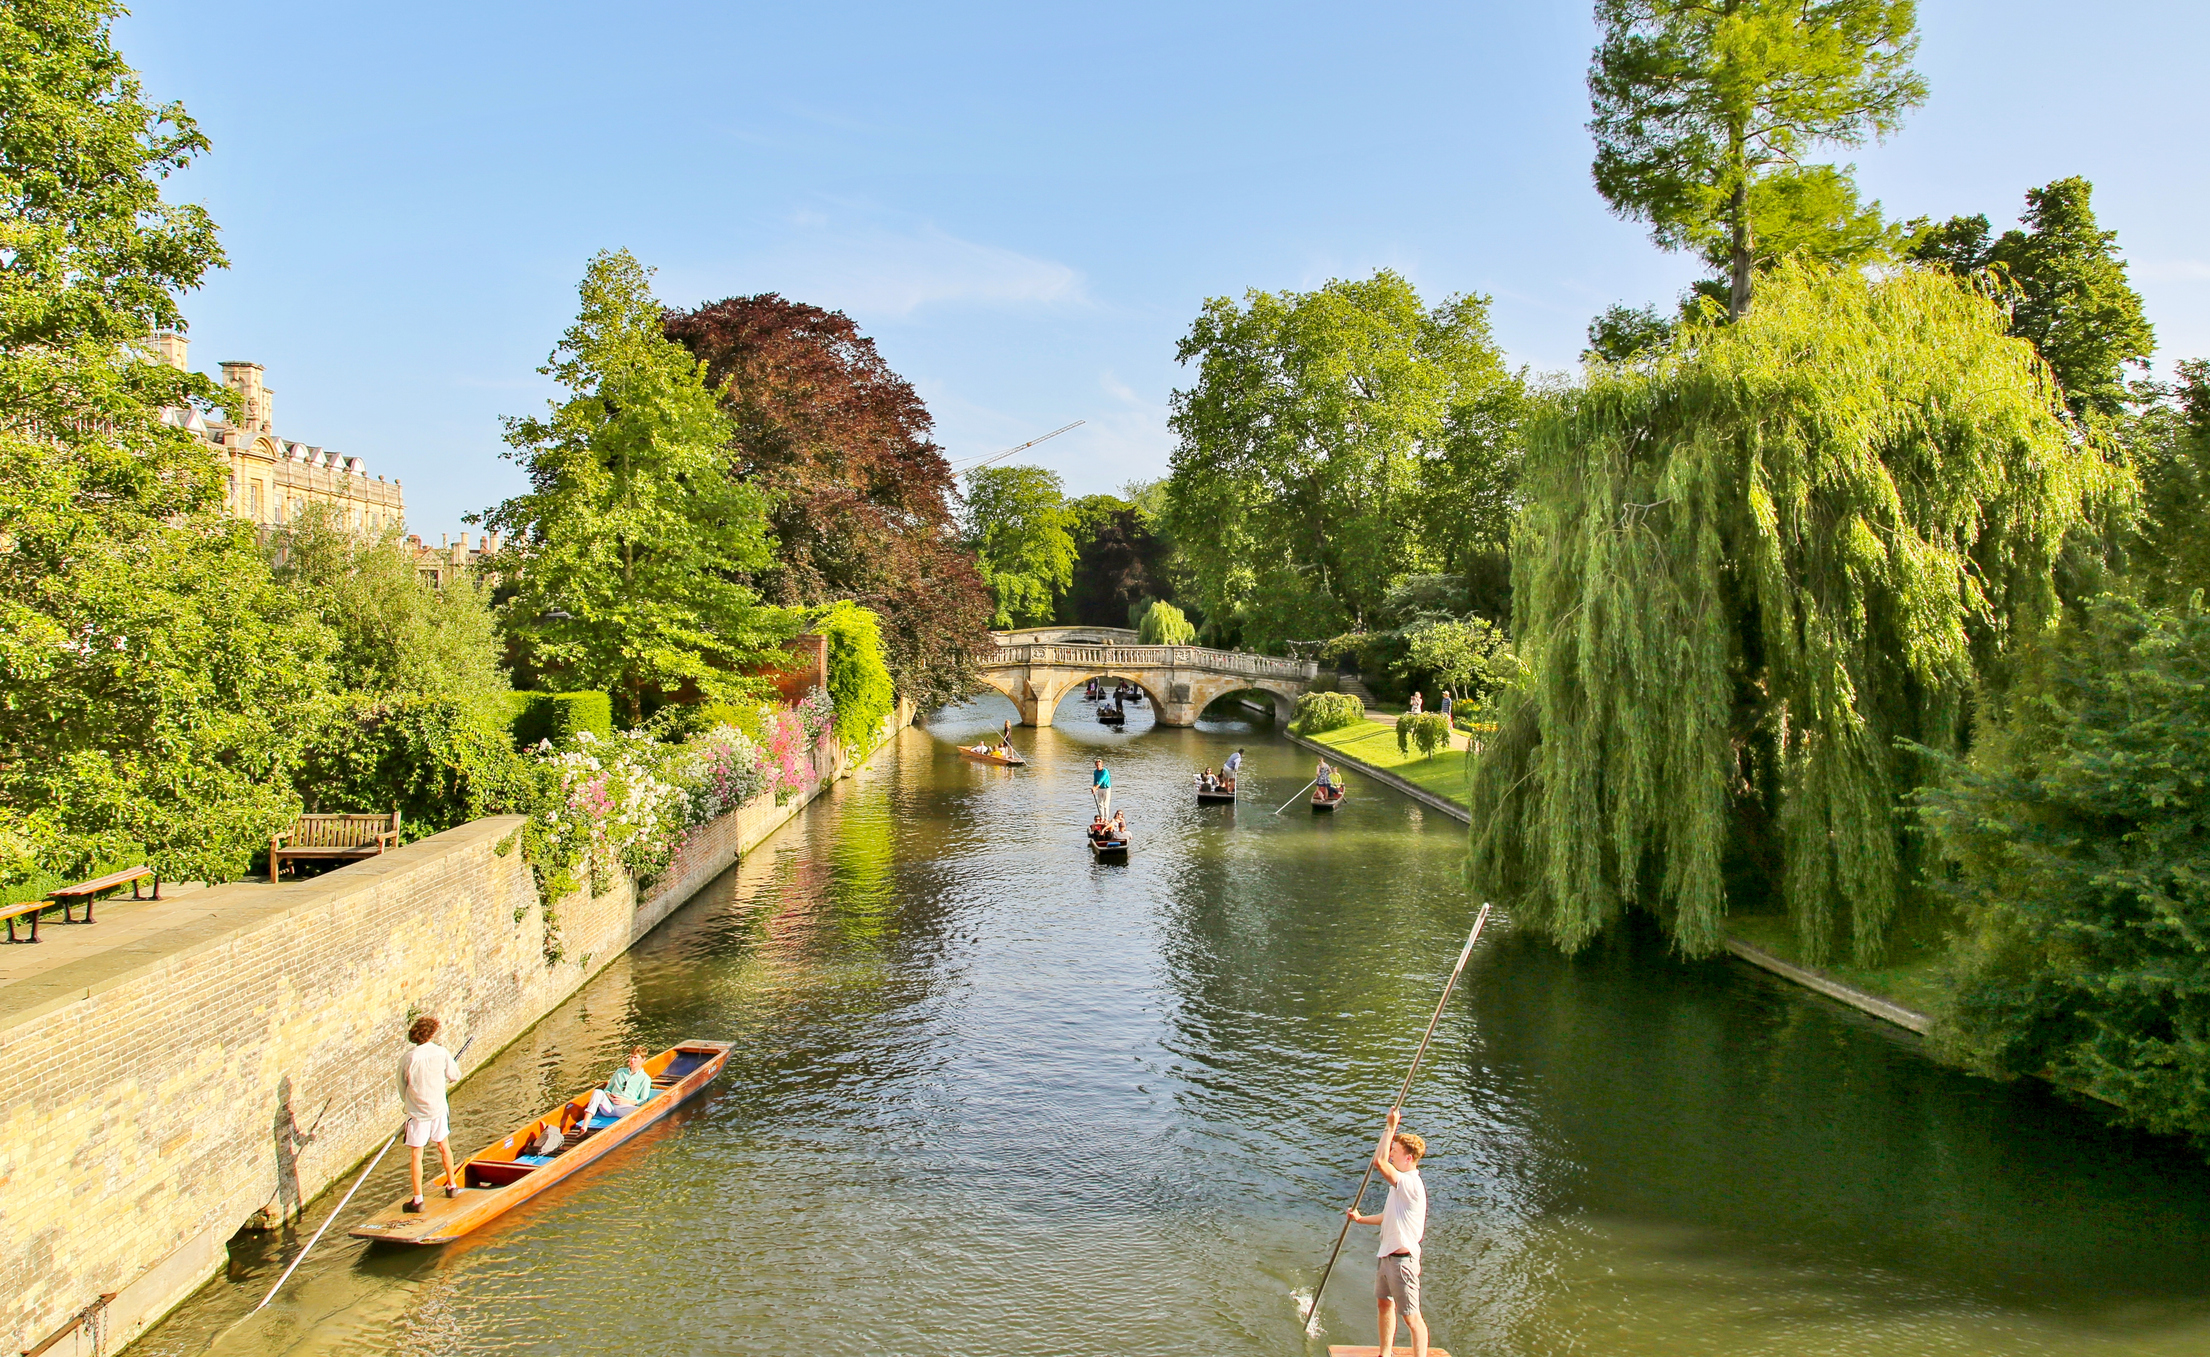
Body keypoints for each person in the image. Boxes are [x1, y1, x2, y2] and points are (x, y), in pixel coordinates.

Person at [1345, 1108, 1429, 1357]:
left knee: (1412, 1318)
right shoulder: (1400, 1186)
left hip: (1403, 1261)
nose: (1391, 1154)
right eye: (1391, 1150)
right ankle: (1385, 1353)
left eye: (1396, 1151)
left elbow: (1379, 1162)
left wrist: (1390, 1126)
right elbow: (1388, 1217)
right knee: (1384, 1304)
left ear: (1409, 1158)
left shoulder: (1410, 1183)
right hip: (1387, 1257)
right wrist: (1361, 1220)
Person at [399, 1015, 464, 1213]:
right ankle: (452, 1186)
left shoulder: (408, 1058)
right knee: (444, 1146)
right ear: (431, 1034)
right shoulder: (441, 1052)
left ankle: (418, 1200)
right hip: (437, 1109)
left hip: (418, 1112)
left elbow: (402, 1087)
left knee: (417, 1154)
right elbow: (454, 1076)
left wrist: (408, 1105)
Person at [574, 1045, 654, 1129]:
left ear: (643, 1059)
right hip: (609, 1107)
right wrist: (610, 1097)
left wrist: (627, 1101)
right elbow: (607, 1089)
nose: (632, 1060)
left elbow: (643, 1101)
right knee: (598, 1092)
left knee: (640, 1112)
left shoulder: (645, 1078)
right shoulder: (620, 1072)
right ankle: (584, 1127)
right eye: (630, 1057)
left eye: (635, 1058)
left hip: (626, 1108)